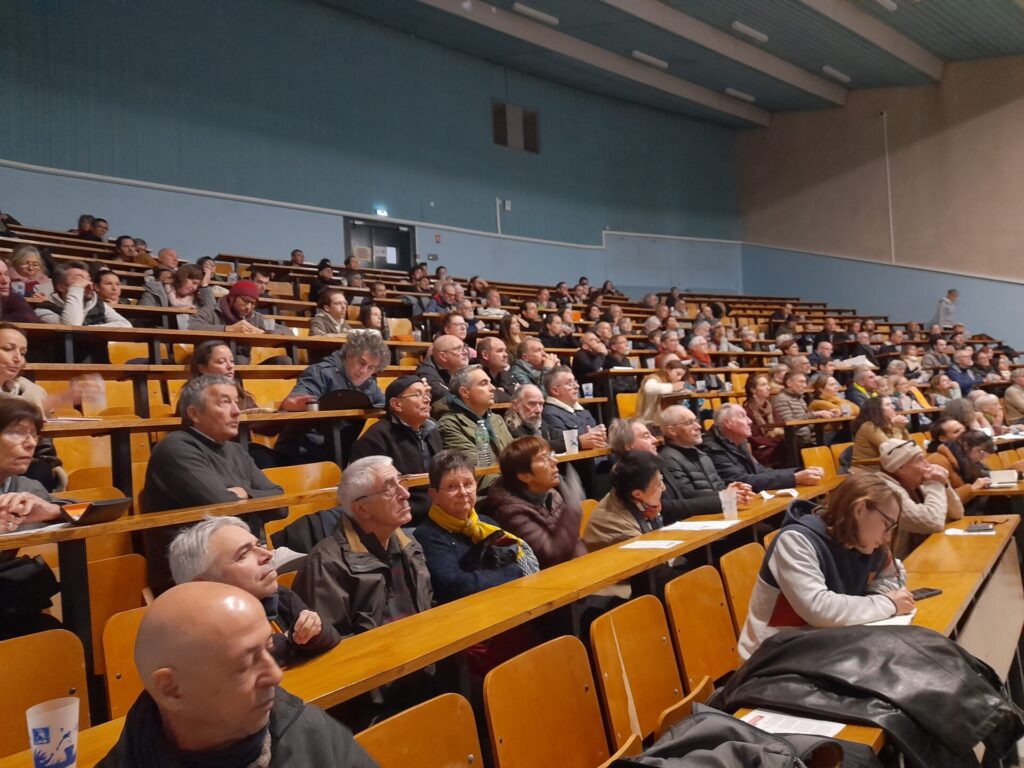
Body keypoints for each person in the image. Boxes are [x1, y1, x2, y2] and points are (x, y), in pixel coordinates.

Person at [96, 582, 376, 768]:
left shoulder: (312, 734)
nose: (275, 676)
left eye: (269, 649)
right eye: (245, 664)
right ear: (171, 689)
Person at [737, 473, 913, 659]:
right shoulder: (796, 540)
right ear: (860, 509)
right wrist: (886, 603)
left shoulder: (867, 542)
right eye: (887, 525)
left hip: (830, 646)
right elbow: (819, 609)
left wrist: (874, 599)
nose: (887, 537)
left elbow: (893, 574)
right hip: (774, 658)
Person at [140, 375, 285, 594]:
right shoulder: (175, 448)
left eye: (237, 402)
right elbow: (220, 506)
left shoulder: (235, 450)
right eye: (224, 402)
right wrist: (250, 498)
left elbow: (280, 503)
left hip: (248, 562)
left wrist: (243, 493)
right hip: (201, 576)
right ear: (194, 413)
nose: (237, 411)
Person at [168, 516, 341, 667]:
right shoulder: (194, 635)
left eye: (259, 545)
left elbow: (331, 639)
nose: (267, 555)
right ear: (204, 584)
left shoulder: (279, 596)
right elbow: (241, 664)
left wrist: (317, 631)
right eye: (243, 555)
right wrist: (289, 641)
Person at [293, 456, 433, 636]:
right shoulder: (326, 565)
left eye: (401, 481)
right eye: (389, 487)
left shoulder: (409, 544)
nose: (405, 494)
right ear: (362, 509)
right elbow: (330, 644)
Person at [415, 450, 537, 604]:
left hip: (507, 603)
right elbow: (456, 586)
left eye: (468, 484)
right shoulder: (428, 535)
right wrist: (511, 573)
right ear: (434, 495)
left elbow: (512, 561)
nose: (463, 492)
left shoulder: (487, 523)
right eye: (452, 486)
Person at [0, 399, 74, 639]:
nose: (31, 443)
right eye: (17, 432)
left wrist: (54, 512)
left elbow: (100, 514)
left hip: (11, 609)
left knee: (52, 634)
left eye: (34, 434)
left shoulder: (27, 487)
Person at [276, 330, 388, 465]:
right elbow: (293, 401)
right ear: (349, 354)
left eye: (371, 368)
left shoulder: (369, 385)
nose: (363, 371)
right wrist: (293, 403)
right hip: (301, 453)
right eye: (361, 362)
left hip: (340, 457)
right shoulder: (321, 372)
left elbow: (385, 404)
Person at [349, 375, 441, 525]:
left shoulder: (432, 430)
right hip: (406, 520)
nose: (426, 399)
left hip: (438, 513)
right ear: (396, 404)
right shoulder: (374, 440)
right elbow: (375, 495)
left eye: (426, 394)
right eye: (417, 394)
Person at [482, 436, 586, 568]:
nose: (554, 461)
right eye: (543, 459)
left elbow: (574, 544)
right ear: (524, 476)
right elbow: (552, 558)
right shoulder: (509, 512)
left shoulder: (551, 494)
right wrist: (573, 506)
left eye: (550, 455)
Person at [657, 405, 753, 521]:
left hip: (719, 516)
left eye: (696, 421)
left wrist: (734, 492)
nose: (698, 426)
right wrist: (725, 495)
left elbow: (718, 486)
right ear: (672, 431)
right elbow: (686, 496)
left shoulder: (702, 454)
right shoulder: (668, 458)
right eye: (689, 423)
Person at [702, 404, 824, 492]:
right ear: (728, 423)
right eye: (743, 416)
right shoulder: (712, 449)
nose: (749, 421)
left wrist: (799, 472)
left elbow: (761, 472)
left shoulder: (739, 443)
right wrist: (795, 478)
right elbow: (742, 481)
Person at [876, 438, 964, 557]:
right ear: (900, 468)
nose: (927, 465)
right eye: (920, 460)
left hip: (919, 554)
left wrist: (943, 483)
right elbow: (932, 523)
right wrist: (934, 483)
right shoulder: (885, 489)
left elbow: (957, 513)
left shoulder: (912, 480)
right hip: (894, 565)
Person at [436, 366, 512, 490]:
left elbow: (516, 457)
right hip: (482, 494)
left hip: (508, 486)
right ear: (465, 392)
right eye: (484, 384)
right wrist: (519, 483)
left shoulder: (496, 419)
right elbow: (475, 473)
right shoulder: (450, 424)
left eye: (490, 382)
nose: (493, 388)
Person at [190, 280, 290, 362]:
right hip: (213, 362)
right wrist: (227, 329)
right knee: (239, 359)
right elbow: (190, 326)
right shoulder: (212, 310)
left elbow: (288, 332)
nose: (249, 307)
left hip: (244, 364)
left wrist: (264, 332)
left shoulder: (255, 317)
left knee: (284, 361)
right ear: (232, 298)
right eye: (245, 301)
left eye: (253, 303)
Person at [584, 451, 664, 552]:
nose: (663, 487)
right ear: (637, 493)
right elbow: (652, 557)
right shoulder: (621, 530)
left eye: (661, 479)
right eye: (658, 484)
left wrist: (654, 519)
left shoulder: (625, 492)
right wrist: (655, 522)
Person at [33, 259, 131, 328]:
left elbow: (125, 324)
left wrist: (87, 328)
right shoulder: (44, 309)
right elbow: (72, 326)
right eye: (79, 278)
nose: (88, 283)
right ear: (61, 287)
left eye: (88, 278)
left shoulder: (98, 305)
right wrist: (76, 288)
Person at [926, 430, 994, 513]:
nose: (983, 457)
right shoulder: (938, 462)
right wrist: (971, 488)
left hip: (967, 507)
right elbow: (942, 501)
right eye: (980, 451)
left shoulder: (967, 460)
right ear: (966, 446)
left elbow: (986, 474)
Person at [541, 366, 607, 449]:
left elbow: (597, 441)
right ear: (555, 391)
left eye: (575, 381)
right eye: (569, 384)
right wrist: (582, 441)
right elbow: (560, 443)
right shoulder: (549, 413)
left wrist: (601, 435)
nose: (577, 386)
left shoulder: (583, 411)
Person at [186, 340, 258, 411]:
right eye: (221, 362)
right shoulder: (192, 398)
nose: (230, 366)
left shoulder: (244, 397)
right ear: (202, 369)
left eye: (232, 361)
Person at [772, 371, 837, 447]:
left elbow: (807, 425)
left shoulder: (800, 399)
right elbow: (789, 425)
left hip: (807, 440)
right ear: (789, 383)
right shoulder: (780, 399)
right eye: (801, 382)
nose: (805, 385)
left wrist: (822, 418)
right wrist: (814, 414)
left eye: (805, 382)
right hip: (794, 443)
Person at [138, 264, 213, 329]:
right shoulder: (157, 290)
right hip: (156, 335)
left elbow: (211, 313)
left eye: (198, 285)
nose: (195, 288)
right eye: (194, 283)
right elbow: (143, 313)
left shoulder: (197, 296)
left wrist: (205, 286)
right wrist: (174, 309)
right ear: (182, 277)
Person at [850, 397, 911, 467]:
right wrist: (897, 428)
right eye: (888, 405)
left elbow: (910, 446)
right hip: (868, 469)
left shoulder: (891, 424)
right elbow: (893, 451)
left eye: (892, 404)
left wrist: (903, 429)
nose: (893, 407)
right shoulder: (869, 426)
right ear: (877, 410)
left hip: (886, 466)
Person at [503, 383, 566, 451]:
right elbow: (529, 448)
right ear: (516, 405)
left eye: (541, 404)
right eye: (532, 403)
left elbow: (565, 440)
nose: (538, 410)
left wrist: (541, 444)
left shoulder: (536, 421)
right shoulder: (511, 424)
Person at [743, 373, 785, 467]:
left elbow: (781, 427)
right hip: (761, 450)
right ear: (753, 390)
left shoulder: (770, 407)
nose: (768, 388)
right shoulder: (747, 411)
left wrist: (777, 435)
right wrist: (774, 437)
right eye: (763, 385)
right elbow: (752, 437)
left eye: (768, 384)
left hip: (776, 446)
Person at [416, 333, 469, 402]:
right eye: (458, 349)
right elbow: (448, 398)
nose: (465, 352)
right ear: (443, 356)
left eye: (464, 347)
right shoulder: (426, 375)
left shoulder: (457, 369)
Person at [636, 358, 688, 425]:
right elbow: (649, 388)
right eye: (678, 374)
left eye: (681, 376)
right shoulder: (654, 377)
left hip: (664, 421)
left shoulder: (669, 382)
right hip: (647, 420)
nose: (679, 378)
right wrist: (672, 387)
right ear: (668, 369)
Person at [476, 337, 515, 402]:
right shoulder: (475, 374)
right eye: (500, 351)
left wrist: (497, 392)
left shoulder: (505, 373)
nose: (506, 354)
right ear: (485, 355)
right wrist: (501, 391)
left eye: (505, 350)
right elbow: (485, 398)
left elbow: (515, 398)